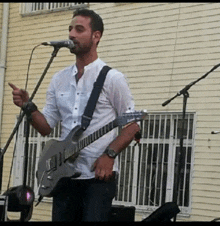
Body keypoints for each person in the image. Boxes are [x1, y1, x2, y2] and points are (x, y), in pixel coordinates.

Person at [9, 9, 140, 222]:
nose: (71, 34)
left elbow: (133, 125)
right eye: (70, 29)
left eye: (79, 29)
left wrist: (109, 155)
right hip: (64, 177)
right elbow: (46, 127)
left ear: (96, 36)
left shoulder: (113, 78)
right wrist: (28, 107)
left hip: (97, 179)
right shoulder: (59, 79)